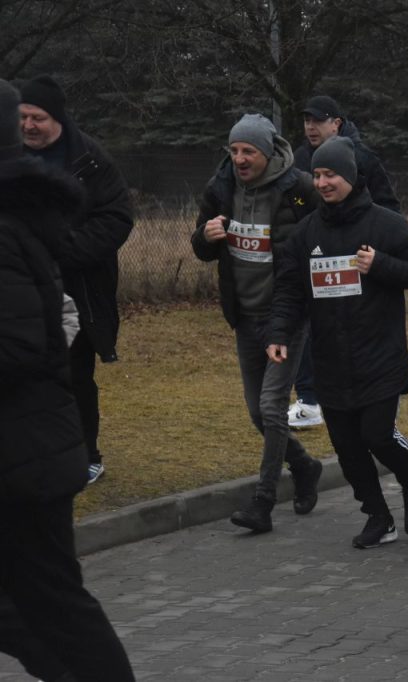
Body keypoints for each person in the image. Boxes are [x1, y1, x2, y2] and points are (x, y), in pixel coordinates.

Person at [0, 78, 135, 682]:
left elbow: (19, 344)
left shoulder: (12, 221)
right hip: (27, 448)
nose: (32, 126)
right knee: (40, 606)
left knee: (56, 606)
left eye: (40, 117)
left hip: (24, 455)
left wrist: (75, 252)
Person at [267, 136, 408, 549]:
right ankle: (378, 517)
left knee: (378, 435)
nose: (323, 183)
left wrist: (381, 264)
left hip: (379, 355)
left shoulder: (385, 224)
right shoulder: (306, 233)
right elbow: (289, 289)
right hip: (331, 359)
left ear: (351, 176)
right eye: (317, 175)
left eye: (331, 175)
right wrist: (279, 332)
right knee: (347, 447)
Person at [191, 113, 324, 534]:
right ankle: (304, 466)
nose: (240, 159)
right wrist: (205, 236)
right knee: (257, 413)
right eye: (234, 150)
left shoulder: (298, 189)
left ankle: (263, 501)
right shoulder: (220, 187)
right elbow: (202, 247)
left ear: (268, 152)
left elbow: (325, 236)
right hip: (245, 317)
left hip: (286, 316)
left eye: (248, 151)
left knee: (271, 406)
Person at [16, 75, 133, 485]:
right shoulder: (9, 153)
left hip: (77, 289)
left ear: (58, 118)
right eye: (22, 116)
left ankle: (87, 455)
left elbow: (118, 217)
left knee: (73, 375)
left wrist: (64, 250)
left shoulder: (90, 160)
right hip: (19, 289)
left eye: (38, 118)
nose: (28, 125)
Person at [288, 95, 402, 429]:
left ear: (336, 124)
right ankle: (309, 400)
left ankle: (378, 409)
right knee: (311, 328)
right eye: (306, 120)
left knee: (357, 333)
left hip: (359, 266)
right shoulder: (299, 158)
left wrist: (368, 245)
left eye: (317, 120)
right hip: (315, 258)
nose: (310, 127)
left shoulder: (363, 157)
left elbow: (389, 208)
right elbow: (294, 206)